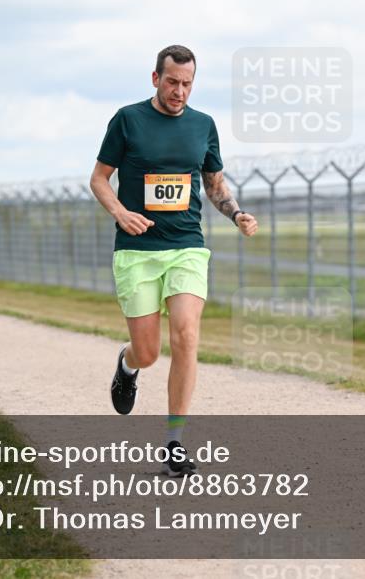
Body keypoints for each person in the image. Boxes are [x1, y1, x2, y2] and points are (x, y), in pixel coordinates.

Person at [90, 45, 258, 477]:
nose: (179, 91)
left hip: (186, 245)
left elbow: (215, 184)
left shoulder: (204, 126)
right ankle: (127, 366)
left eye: (187, 84)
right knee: (149, 352)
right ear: (155, 78)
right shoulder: (127, 119)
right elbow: (99, 178)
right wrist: (120, 213)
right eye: (172, 82)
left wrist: (236, 212)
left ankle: (175, 442)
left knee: (186, 335)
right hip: (138, 251)